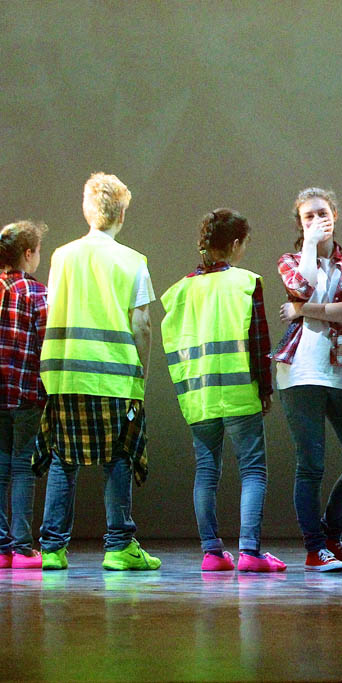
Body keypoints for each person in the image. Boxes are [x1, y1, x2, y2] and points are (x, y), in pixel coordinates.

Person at [36, 172, 160, 571]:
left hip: (64, 375)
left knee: (63, 458)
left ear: (86, 210)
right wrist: (141, 376)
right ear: (121, 214)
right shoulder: (133, 260)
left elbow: (52, 309)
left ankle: (52, 549)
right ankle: (119, 547)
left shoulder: (61, 256)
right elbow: (142, 324)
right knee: (118, 457)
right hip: (114, 377)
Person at [160, 209, 284, 572]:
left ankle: (212, 553)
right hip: (240, 393)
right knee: (253, 471)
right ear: (235, 244)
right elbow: (259, 342)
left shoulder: (179, 290)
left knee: (206, 470)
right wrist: (265, 389)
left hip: (198, 396)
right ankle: (250, 553)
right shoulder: (245, 282)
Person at [274, 187, 342, 572]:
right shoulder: (290, 260)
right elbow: (299, 287)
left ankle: (331, 535)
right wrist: (309, 246)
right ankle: (315, 548)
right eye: (309, 216)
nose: (318, 220)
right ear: (300, 224)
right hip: (300, 371)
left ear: (335, 214)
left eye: (323, 213)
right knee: (311, 464)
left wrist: (302, 310)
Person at [0, 221, 48, 569]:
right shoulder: (36, 293)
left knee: (0, 466)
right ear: (28, 254)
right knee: (22, 467)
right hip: (26, 392)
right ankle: (21, 548)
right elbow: (47, 345)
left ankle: (2, 549)